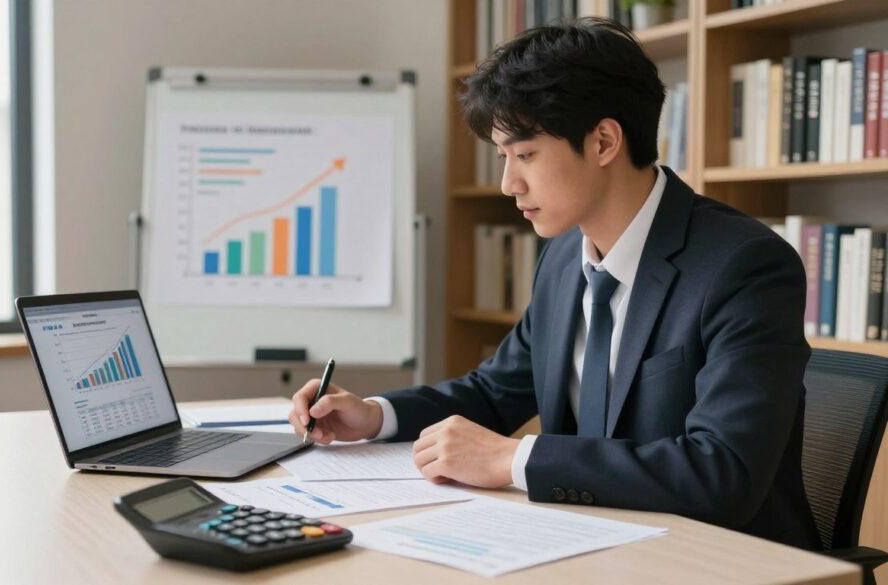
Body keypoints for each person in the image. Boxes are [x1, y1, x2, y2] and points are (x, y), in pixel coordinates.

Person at [288, 17, 819, 549]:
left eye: (525, 155)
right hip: (595, 541)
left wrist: (513, 458)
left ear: (604, 141)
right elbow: (496, 391)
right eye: (503, 158)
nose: (507, 183)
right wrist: (376, 416)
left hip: (722, 560)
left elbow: (723, 471)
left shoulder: (744, 265)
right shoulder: (564, 255)